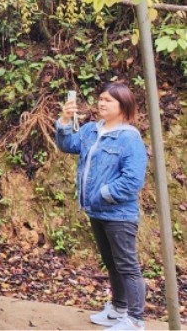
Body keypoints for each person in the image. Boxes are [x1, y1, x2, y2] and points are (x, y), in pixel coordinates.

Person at [56, 83, 149, 331]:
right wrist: (65, 121)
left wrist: (103, 194)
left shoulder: (129, 138)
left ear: (123, 105)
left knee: (127, 265)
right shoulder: (91, 130)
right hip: (96, 211)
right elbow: (67, 145)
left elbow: (133, 179)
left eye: (108, 100)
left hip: (119, 214)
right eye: (100, 98)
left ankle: (135, 320)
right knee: (111, 262)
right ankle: (118, 309)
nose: (101, 103)